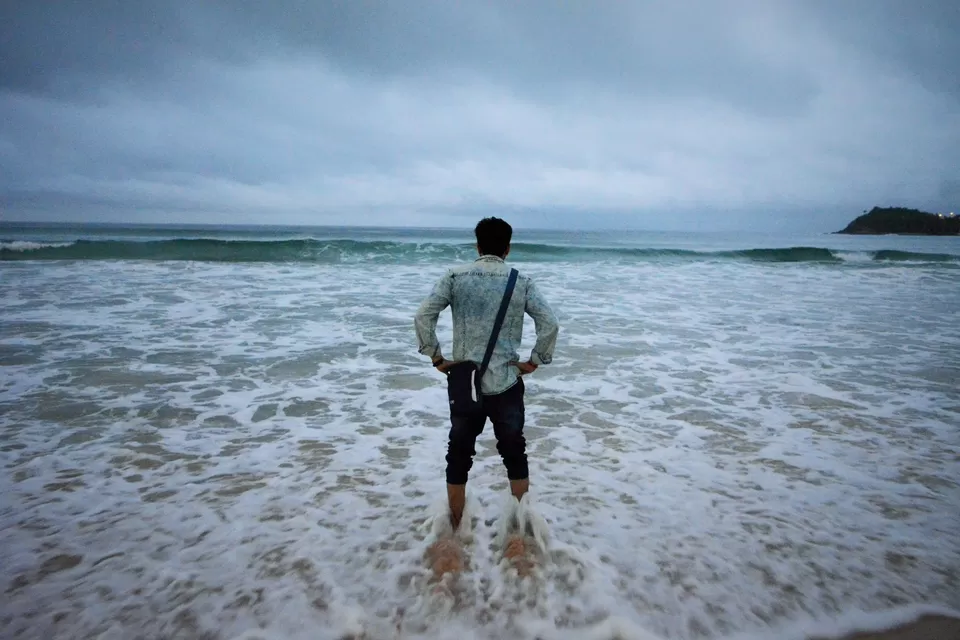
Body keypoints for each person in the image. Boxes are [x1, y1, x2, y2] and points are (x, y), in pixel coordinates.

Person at [414, 217, 559, 531]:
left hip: (466, 384)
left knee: (458, 455)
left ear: (477, 245)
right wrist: (535, 361)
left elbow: (424, 314)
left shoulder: (455, 276)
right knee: (514, 452)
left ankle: (454, 526)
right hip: (506, 383)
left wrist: (436, 356)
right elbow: (550, 324)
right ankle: (520, 528)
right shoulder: (521, 281)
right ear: (507, 248)